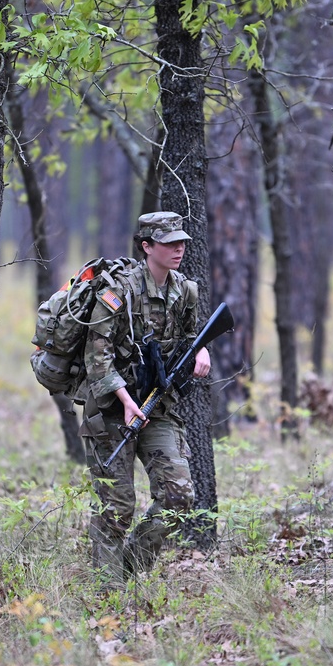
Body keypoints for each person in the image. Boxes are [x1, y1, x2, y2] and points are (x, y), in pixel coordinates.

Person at [79, 211, 211, 588]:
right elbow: (96, 356)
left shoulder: (184, 290)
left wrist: (202, 351)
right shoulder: (118, 291)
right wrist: (124, 398)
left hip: (158, 408)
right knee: (116, 506)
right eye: (169, 243)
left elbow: (189, 338)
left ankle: (127, 568)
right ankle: (108, 594)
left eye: (182, 242)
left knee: (178, 496)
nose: (179, 249)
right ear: (147, 246)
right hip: (111, 410)